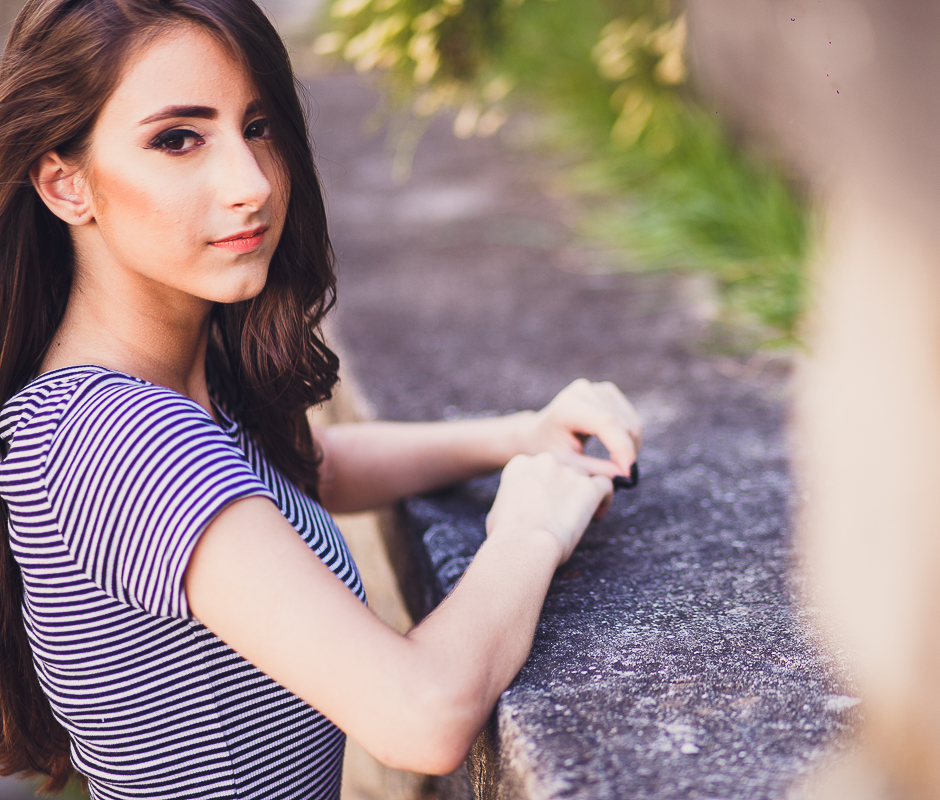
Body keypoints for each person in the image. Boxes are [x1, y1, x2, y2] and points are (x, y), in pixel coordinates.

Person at [0, 0, 642, 796]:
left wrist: (516, 436)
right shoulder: (115, 438)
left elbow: (302, 469)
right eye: (178, 139)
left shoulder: (161, 391)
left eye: (258, 127)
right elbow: (422, 715)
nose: (252, 183)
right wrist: (531, 529)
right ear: (66, 184)